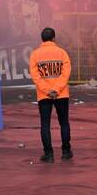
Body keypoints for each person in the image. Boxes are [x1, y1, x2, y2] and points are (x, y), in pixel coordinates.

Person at [29, 27, 72, 163]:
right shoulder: (62, 53)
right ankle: (66, 151)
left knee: (45, 125)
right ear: (54, 38)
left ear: (42, 39)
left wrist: (47, 90)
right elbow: (66, 74)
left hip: (44, 95)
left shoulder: (35, 54)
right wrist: (57, 89)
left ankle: (48, 154)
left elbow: (35, 76)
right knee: (64, 122)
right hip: (61, 94)